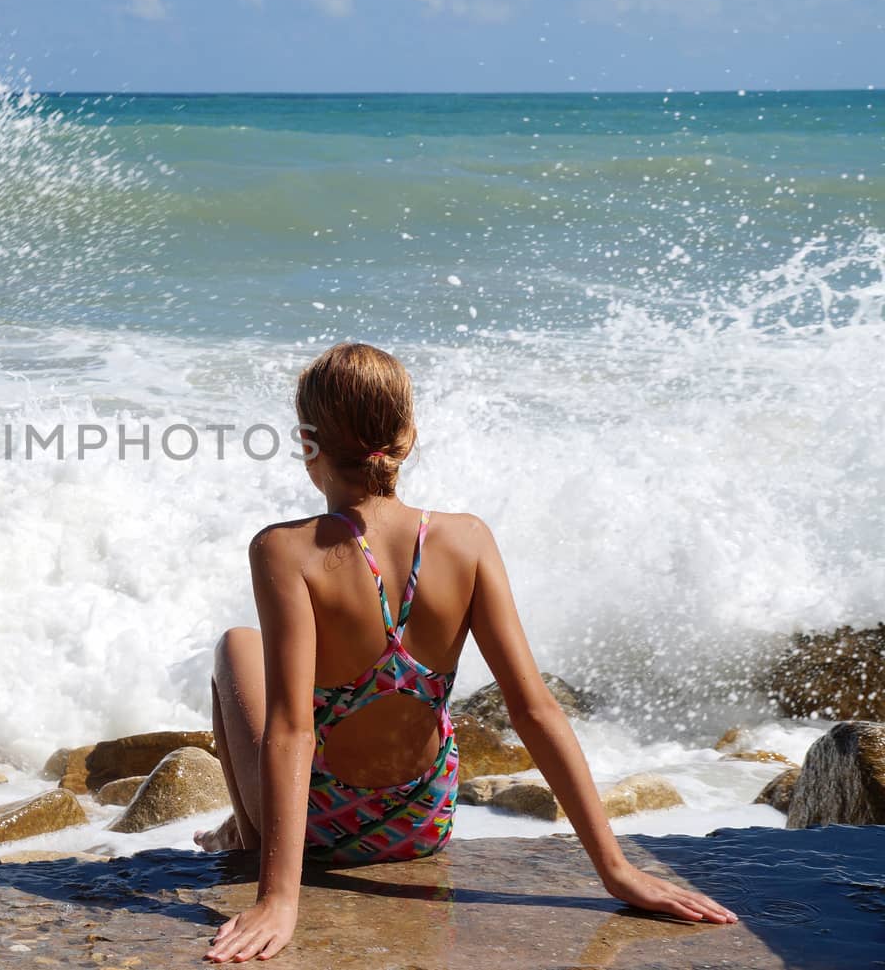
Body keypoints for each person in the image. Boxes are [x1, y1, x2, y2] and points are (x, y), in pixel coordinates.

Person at [197, 342, 736, 964]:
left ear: (307, 445)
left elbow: (291, 730)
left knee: (236, 646)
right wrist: (616, 871)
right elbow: (534, 709)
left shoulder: (284, 551)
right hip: (423, 823)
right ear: (409, 435)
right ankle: (246, 830)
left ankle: (247, 832)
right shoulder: (467, 539)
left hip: (322, 831)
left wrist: (278, 901)